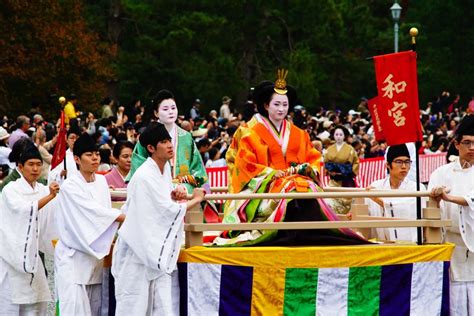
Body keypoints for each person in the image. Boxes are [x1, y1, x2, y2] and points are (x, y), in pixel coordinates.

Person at [214, 69, 366, 246]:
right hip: (263, 187)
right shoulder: (248, 132)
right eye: (276, 104)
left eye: (285, 105)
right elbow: (245, 164)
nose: (281, 109)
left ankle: (310, 234)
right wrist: (273, 174)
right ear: (266, 105)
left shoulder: (299, 134)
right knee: (291, 190)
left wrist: (308, 168)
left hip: (296, 181)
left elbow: (313, 158)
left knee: (305, 188)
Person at [112, 123, 205, 315]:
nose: (170, 145)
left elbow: (163, 203)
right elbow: (166, 211)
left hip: (155, 251)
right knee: (134, 307)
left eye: (169, 140)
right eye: (163, 142)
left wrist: (174, 194)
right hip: (136, 252)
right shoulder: (145, 175)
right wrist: (195, 199)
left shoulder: (162, 171)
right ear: (151, 148)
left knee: (163, 306)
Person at [54, 133, 125, 315]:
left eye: (96, 154)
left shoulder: (101, 181)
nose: (94, 158)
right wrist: (121, 216)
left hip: (95, 259)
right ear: (77, 159)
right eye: (89, 155)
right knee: (75, 310)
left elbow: (102, 213)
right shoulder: (70, 185)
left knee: (96, 309)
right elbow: (92, 212)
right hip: (73, 258)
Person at [0, 142, 59, 315]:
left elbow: (53, 212)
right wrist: (50, 196)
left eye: (38, 165)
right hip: (11, 253)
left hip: (33, 254)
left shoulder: (41, 189)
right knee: (10, 301)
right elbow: (23, 210)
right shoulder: (11, 189)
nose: (35, 169)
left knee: (36, 301)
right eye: (31, 164)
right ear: (20, 167)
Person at [428, 115, 474, 316]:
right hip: (451, 244)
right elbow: (430, 204)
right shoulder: (441, 173)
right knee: (454, 299)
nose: (472, 147)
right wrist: (437, 199)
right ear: (456, 144)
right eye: (467, 142)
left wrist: (449, 197)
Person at [127, 90, 209, 194]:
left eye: (173, 108)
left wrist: (184, 185)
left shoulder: (186, 137)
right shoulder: (147, 136)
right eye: (165, 109)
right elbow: (138, 167)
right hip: (155, 188)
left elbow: (197, 169)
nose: (171, 112)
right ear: (156, 113)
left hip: (184, 189)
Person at [366, 144, 426, 242]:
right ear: (387, 165)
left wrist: (379, 201)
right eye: (399, 162)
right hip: (381, 245)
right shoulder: (376, 186)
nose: (404, 166)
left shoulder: (417, 188)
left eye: (407, 162)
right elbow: (366, 212)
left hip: (410, 245)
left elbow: (407, 211)